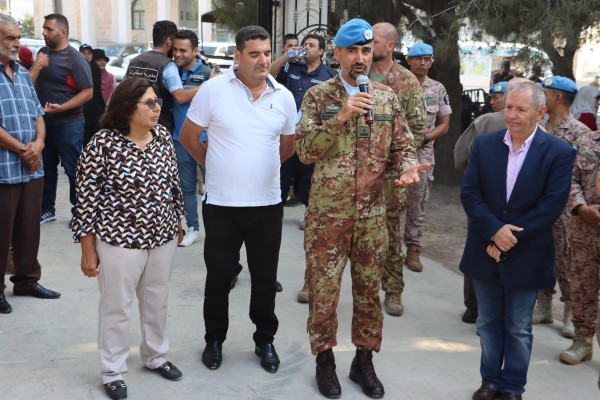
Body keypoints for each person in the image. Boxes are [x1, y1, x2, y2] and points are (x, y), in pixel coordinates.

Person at [296, 18, 427, 398]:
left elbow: (403, 146)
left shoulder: (386, 98)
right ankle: (324, 362)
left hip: (372, 216)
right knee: (325, 292)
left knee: (369, 291)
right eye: (352, 51)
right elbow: (304, 153)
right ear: (336, 53)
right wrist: (341, 116)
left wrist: (405, 168)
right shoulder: (318, 97)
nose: (359, 58)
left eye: (366, 51)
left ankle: (363, 362)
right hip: (328, 218)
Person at [178, 25, 296, 374]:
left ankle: (265, 340)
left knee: (264, 279)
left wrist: (261, 168)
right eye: (255, 53)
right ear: (238, 56)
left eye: (267, 53)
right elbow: (188, 136)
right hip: (222, 205)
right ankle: (214, 339)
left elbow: (287, 146)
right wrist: (214, 165)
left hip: (266, 204)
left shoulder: (284, 97)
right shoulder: (213, 90)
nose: (263, 60)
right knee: (217, 279)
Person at [461, 81, 576, 400]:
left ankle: (512, 387)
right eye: (509, 106)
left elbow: (551, 205)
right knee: (487, 322)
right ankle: (490, 381)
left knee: (518, 326)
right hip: (484, 249)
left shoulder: (559, 152)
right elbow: (471, 194)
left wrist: (506, 238)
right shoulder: (485, 145)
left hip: (527, 253)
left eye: (520, 109)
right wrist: (492, 232)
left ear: (540, 113)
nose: (510, 114)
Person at [73, 78, 185, 400]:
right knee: (116, 307)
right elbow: (86, 201)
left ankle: (156, 356)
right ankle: (113, 371)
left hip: (162, 238)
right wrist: (88, 249)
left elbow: (173, 183)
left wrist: (177, 219)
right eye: (148, 103)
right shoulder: (102, 144)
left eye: (158, 102)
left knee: (156, 300)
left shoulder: (161, 136)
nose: (157, 108)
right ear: (126, 107)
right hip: (119, 242)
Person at [0, 12, 61, 315]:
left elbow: (38, 113)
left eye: (18, 37)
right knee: (1, 230)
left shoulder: (23, 71)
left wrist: (38, 144)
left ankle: (26, 280)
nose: (17, 43)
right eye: (10, 37)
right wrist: (23, 149)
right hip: (4, 167)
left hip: (31, 165)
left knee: (28, 227)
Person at [454, 78, 528, 324]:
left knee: (477, 245)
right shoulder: (540, 128)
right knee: (514, 247)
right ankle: (504, 310)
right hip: (520, 203)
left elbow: (460, 157)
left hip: (483, 202)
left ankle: (474, 307)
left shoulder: (484, 121)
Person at [270, 32, 336, 300]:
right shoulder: (290, 67)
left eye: (310, 45)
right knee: (275, 205)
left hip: (313, 149)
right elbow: (270, 75)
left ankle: (311, 279)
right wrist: (287, 54)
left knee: (314, 207)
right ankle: (269, 272)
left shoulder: (329, 75)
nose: (305, 48)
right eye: (303, 44)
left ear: (321, 52)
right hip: (287, 145)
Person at [369, 21, 427, 317]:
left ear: (390, 45)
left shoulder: (406, 81)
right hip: (353, 171)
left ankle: (392, 290)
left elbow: (418, 127)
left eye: (375, 41)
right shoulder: (356, 74)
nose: (368, 45)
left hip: (392, 175)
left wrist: (395, 151)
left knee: (390, 233)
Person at [529, 77, 590, 341]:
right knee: (540, 254)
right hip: (536, 203)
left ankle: (568, 312)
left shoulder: (579, 132)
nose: (541, 96)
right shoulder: (538, 126)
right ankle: (543, 306)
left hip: (564, 207)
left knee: (566, 259)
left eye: (546, 93)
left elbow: (580, 173)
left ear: (557, 98)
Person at [36, 14, 93, 226]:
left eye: (49, 29)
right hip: (44, 124)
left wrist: (62, 107)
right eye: (44, 28)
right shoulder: (42, 54)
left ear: (63, 32)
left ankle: (79, 212)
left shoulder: (75, 59)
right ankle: (46, 209)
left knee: (74, 170)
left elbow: (88, 92)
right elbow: (32, 82)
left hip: (69, 124)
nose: (44, 33)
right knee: (46, 168)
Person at [403, 42, 451, 272]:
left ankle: (413, 248)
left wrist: (424, 139)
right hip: (397, 151)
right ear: (408, 60)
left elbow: (444, 125)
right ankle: (387, 248)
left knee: (417, 202)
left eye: (427, 59)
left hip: (423, 153)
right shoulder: (398, 84)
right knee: (390, 201)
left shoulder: (437, 89)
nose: (423, 63)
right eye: (418, 58)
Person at [171, 29, 215, 247]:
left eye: (183, 50)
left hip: (207, 139)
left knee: (213, 187)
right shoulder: (170, 71)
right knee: (186, 187)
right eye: (175, 49)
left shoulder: (208, 73)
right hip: (179, 139)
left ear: (195, 51)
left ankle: (216, 229)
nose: (177, 54)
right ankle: (193, 228)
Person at [561, 126, 600, 368]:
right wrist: (582, 207)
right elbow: (571, 179)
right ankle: (582, 341)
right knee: (582, 287)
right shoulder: (586, 141)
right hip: (583, 231)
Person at [82, 48, 107, 145]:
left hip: (98, 113)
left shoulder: (95, 69)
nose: (101, 62)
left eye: (89, 53)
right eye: (98, 60)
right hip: (87, 113)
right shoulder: (86, 68)